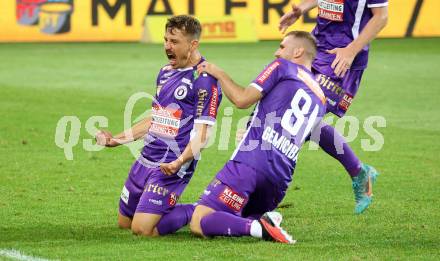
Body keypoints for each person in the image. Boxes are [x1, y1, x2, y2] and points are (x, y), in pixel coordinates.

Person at [189, 31, 326, 244]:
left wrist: (219, 73)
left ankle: (258, 227)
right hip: (280, 179)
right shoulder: (321, 97)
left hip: (251, 163)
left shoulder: (282, 66)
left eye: (281, 46)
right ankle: (260, 223)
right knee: (234, 216)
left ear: (298, 51)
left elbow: (242, 99)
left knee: (199, 220)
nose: (276, 52)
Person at [95, 15, 222, 237]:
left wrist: (179, 161)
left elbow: (203, 135)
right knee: (125, 223)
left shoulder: (204, 80)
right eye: (165, 40)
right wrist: (115, 139)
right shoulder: (165, 72)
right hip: (146, 158)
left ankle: (201, 210)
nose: (167, 47)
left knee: (143, 230)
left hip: (172, 165)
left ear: (193, 44)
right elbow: (156, 119)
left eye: (174, 42)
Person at [279, 0, 388, 214]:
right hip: (316, 47)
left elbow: (381, 16)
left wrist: (350, 51)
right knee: (304, 120)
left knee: (298, 119)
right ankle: (358, 171)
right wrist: (303, 8)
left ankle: (262, 199)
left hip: (342, 57)